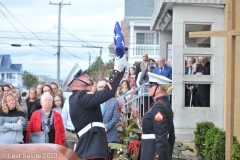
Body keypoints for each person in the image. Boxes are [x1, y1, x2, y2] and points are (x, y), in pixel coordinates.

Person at [62, 22, 127, 160]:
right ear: (76, 83)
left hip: (92, 146)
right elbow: (107, 93)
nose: (87, 75)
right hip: (91, 149)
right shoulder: (81, 96)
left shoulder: (77, 97)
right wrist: (117, 70)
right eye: (83, 75)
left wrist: (119, 71)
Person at [139, 72, 175, 160]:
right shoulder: (163, 104)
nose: (148, 88)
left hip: (152, 151)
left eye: (151, 86)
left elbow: (161, 136)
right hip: (151, 150)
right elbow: (171, 136)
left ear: (158, 89)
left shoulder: (159, 107)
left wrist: (157, 157)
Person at [97, 79, 120, 160]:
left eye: (103, 87)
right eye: (99, 87)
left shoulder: (114, 102)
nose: (101, 89)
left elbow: (116, 118)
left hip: (110, 137)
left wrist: (105, 127)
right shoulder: (93, 101)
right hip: (96, 137)